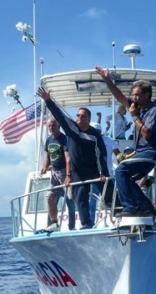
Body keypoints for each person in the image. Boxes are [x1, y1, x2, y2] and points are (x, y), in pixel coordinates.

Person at [95, 65, 156, 218]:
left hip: (153, 152)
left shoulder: (155, 112)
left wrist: (134, 117)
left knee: (121, 170)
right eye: (133, 95)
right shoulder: (138, 108)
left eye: (137, 95)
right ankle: (146, 208)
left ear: (147, 95)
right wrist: (107, 80)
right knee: (124, 178)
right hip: (141, 152)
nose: (134, 98)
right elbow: (119, 97)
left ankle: (131, 208)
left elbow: (146, 133)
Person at [37, 86, 111, 229]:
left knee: (109, 190)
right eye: (78, 115)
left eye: (83, 116)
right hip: (79, 172)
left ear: (89, 119)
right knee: (81, 197)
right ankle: (85, 224)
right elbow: (59, 115)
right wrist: (48, 101)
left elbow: (101, 154)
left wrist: (104, 173)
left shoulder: (95, 134)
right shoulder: (71, 128)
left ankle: (119, 214)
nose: (79, 118)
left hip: (95, 169)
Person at [39, 117, 76, 232]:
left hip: (65, 171)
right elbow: (47, 156)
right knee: (50, 197)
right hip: (54, 173)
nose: (51, 127)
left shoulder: (64, 139)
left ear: (58, 126)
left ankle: (72, 226)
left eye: (53, 125)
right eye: (49, 125)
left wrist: (69, 175)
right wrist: (44, 168)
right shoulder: (48, 140)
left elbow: (68, 158)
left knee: (70, 200)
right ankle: (54, 224)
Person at [89, 122, 120, 221]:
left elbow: (118, 154)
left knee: (112, 199)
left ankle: (117, 220)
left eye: (97, 131)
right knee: (92, 201)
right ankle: (90, 223)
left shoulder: (109, 140)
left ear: (100, 131)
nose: (95, 133)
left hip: (108, 176)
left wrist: (122, 167)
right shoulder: (87, 141)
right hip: (94, 177)